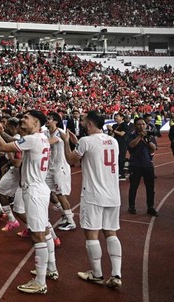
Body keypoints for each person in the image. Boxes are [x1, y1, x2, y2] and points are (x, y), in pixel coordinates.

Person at [0, 110, 56, 295]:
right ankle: (51, 269)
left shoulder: (33, 139)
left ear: (36, 122)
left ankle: (40, 281)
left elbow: (4, 146)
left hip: (34, 191)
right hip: (40, 188)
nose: (22, 119)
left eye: (26, 118)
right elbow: (14, 139)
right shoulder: (42, 137)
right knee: (44, 230)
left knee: (38, 236)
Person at [63, 110, 123, 289]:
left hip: (93, 194)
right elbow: (95, 154)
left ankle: (96, 274)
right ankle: (116, 274)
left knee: (91, 234)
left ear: (90, 124)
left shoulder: (86, 141)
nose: (81, 123)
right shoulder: (112, 140)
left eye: (83, 121)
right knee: (111, 233)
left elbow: (71, 159)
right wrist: (77, 143)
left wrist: (67, 142)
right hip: (113, 195)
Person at [44, 112, 76, 232]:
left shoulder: (60, 133)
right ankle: (65, 213)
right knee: (46, 191)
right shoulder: (46, 132)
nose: (47, 121)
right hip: (50, 167)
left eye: (49, 119)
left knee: (60, 195)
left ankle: (71, 221)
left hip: (60, 168)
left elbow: (47, 143)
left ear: (55, 121)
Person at [126, 117, 158, 217]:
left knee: (150, 188)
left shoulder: (149, 135)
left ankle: (150, 207)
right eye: (139, 124)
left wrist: (148, 141)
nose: (141, 126)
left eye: (143, 124)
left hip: (148, 164)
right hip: (135, 165)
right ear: (135, 126)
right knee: (133, 187)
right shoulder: (131, 135)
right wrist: (140, 136)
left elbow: (154, 148)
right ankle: (131, 206)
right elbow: (131, 145)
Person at [106, 113, 128, 180]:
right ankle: (117, 172)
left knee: (121, 158)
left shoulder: (124, 125)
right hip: (115, 144)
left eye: (117, 116)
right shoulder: (115, 125)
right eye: (115, 116)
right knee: (116, 158)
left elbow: (122, 134)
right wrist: (110, 130)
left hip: (122, 143)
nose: (115, 118)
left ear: (122, 117)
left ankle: (122, 174)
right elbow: (111, 134)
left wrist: (112, 130)